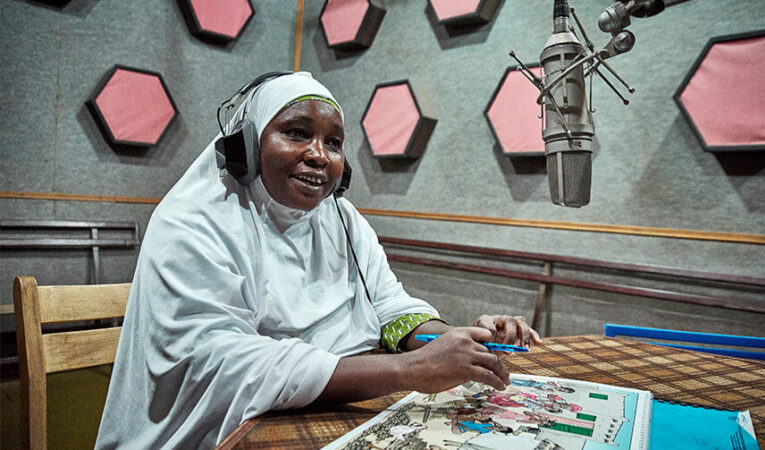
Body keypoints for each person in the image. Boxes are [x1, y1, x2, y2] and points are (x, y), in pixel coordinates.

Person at [95, 71, 541, 449]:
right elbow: (224, 366)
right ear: (246, 145)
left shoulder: (340, 217)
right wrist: (409, 369)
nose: (318, 155)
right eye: (296, 132)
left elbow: (389, 306)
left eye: (333, 142)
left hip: (324, 411)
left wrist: (458, 340)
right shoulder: (192, 222)